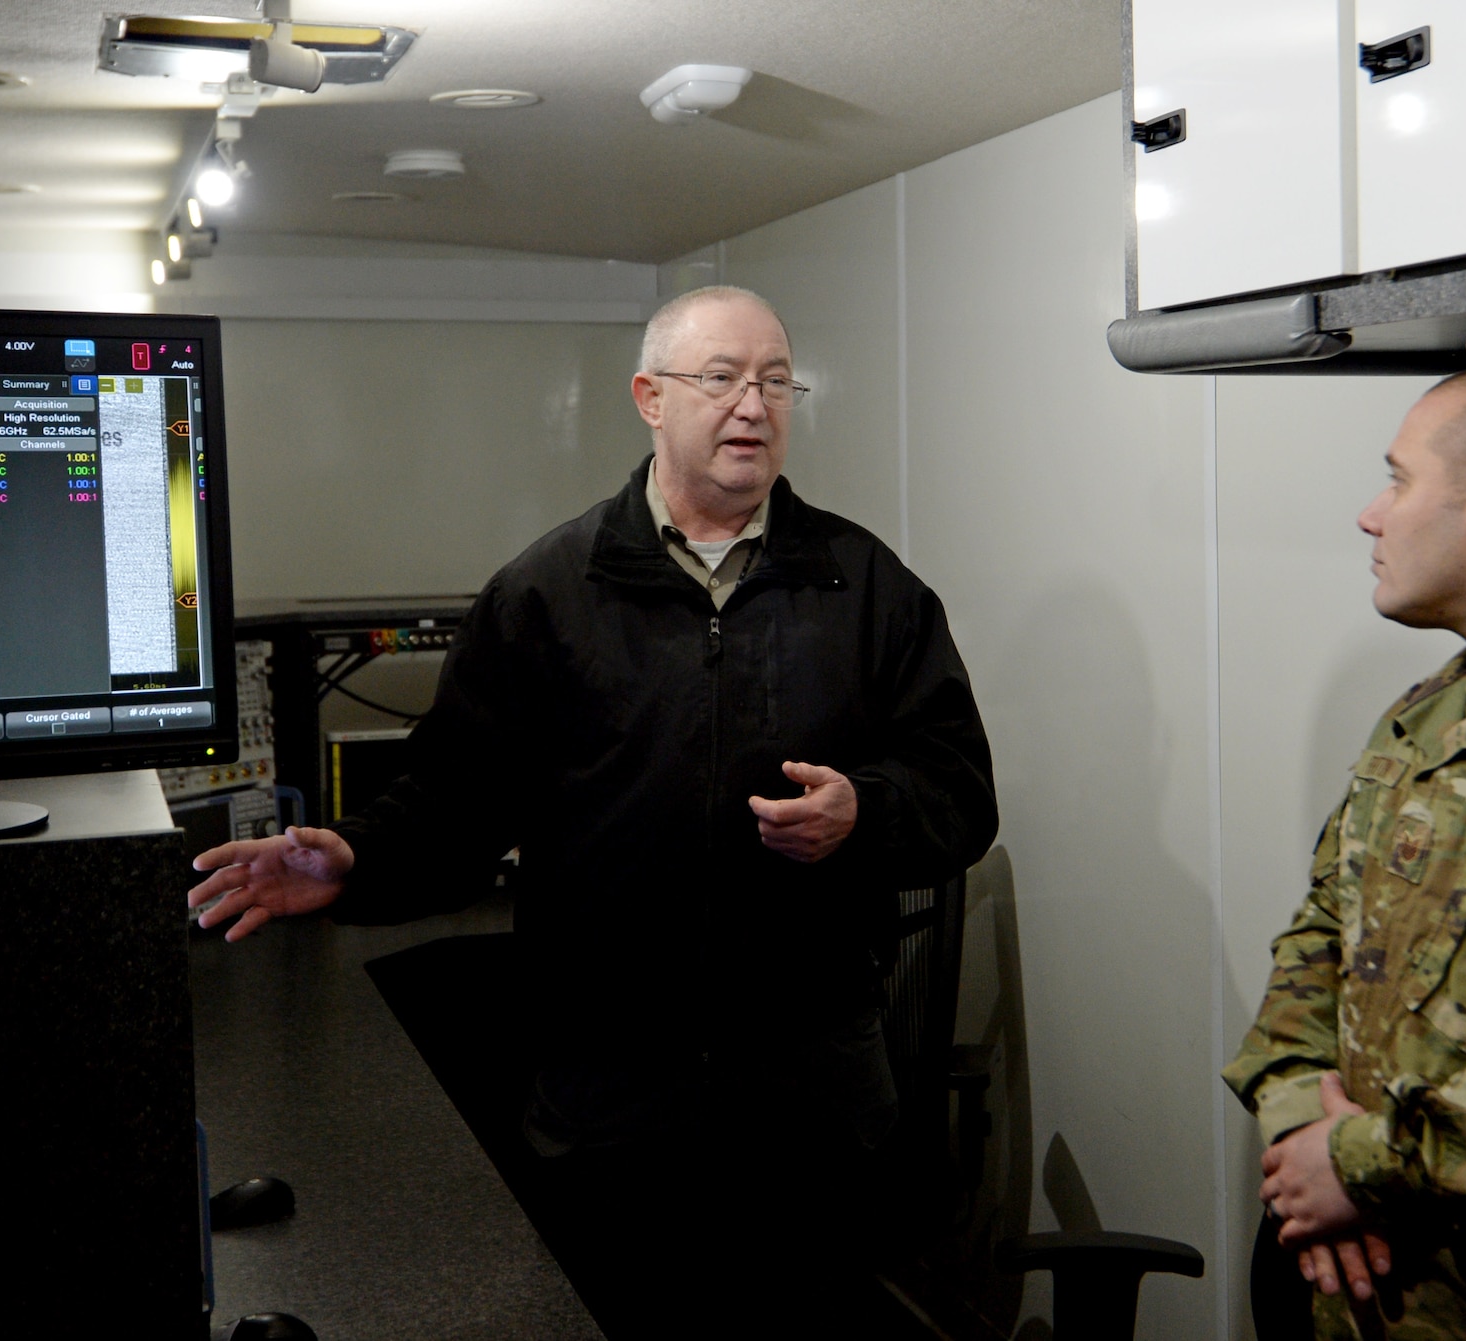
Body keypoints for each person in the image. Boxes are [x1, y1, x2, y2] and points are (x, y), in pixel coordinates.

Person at [188, 285, 999, 1330]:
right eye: (720, 378)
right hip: (613, 1099)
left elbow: (959, 795)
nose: (752, 405)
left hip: (808, 1100)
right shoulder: (547, 593)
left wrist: (865, 810)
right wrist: (353, 859)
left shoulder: (867, 588)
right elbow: (454, 802)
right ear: (649, 398)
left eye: (774, 381)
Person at [1222, 367, 1466, 1340]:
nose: (1370, 515)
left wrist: (1357, 1164)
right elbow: (1312, 945)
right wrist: (1297, 1138)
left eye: (1397, 481)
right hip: (1357, 1297)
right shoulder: (1417, 722)